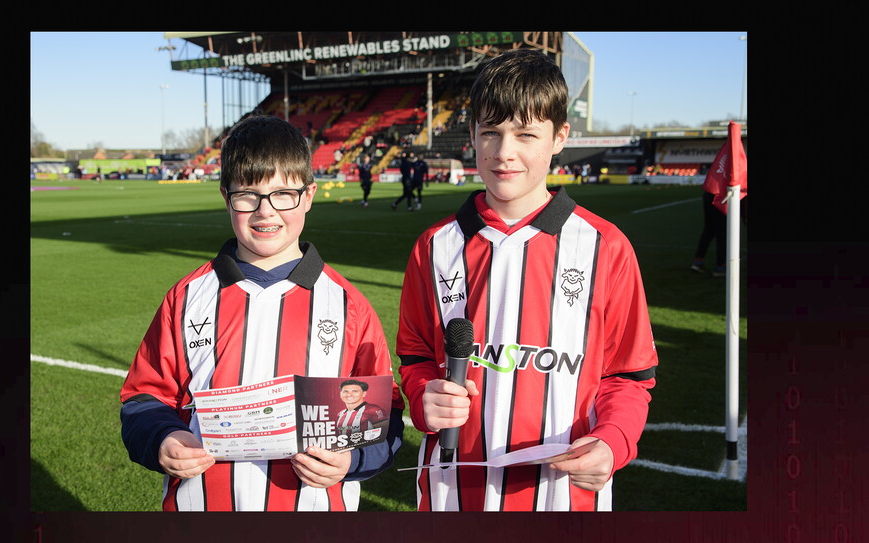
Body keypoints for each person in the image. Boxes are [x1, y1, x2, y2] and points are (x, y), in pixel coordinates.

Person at [396, 49, 658, 512]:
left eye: (526, 134)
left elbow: (628, 375)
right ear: (472, 133)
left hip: (563, 495)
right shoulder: (433, 247)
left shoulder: (606, 247)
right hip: (451, 493)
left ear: (560, 137)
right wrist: (422, 398)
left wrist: (614, 441)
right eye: (490, 133)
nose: (504, 152)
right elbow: (416, 357)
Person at [120, 114, 405, 512]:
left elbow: (384, 415)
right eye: (247, 195)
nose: (265, 211)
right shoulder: (186, 297)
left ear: (308, 196)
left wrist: (353, 459)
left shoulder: (348, 305)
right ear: (226, 197)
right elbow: (143, 396)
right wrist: (162, 439)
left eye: (283, 194)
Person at [691, 185, 727, 277]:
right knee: (721, 234)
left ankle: (698, 261)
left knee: (709, 231)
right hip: (722, 196)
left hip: (710, 193)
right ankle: (720, 267)